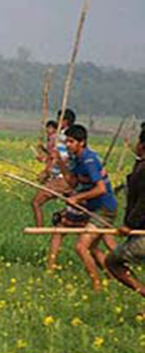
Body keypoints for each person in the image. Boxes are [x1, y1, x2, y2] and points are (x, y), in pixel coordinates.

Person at [55, 124, 118, 292]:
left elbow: (101, 189)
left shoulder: (89, 160)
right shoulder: (76, 159)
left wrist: (77, 198)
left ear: (81, 142)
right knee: (93, 249)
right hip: (94, 209)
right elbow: (72, 182)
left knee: (80, 247)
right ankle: (115, 277)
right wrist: (59, 161)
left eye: (71, 141)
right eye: (67, 141)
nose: (68, 144)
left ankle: (96, 284)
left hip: (104, 209)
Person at [104, 127, 145, 314]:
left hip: (141, 233)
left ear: (142, 145)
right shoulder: (140, 165)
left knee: (113, 262)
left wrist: (130, 225)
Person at [32, 111, 76, 227]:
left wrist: (46, 172)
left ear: (65, 121)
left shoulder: (63, 137)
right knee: (74, 205)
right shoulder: (73, 136)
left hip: (61, 179)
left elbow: (62, 158)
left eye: (59, 119)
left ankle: (39, 230)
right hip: (69, 178)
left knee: (36, 203)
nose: (57, 122)